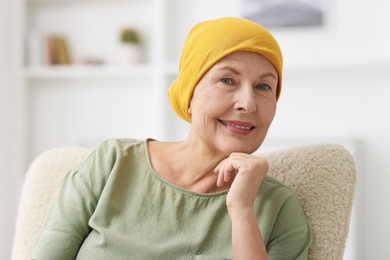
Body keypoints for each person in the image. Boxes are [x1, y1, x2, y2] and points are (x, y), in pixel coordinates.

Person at [31, 17, 312, 259]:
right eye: (227, 80)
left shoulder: (279, 209)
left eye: (264, 86)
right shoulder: (111, 163)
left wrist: (241, 209)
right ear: (189, 94)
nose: (248, 103)